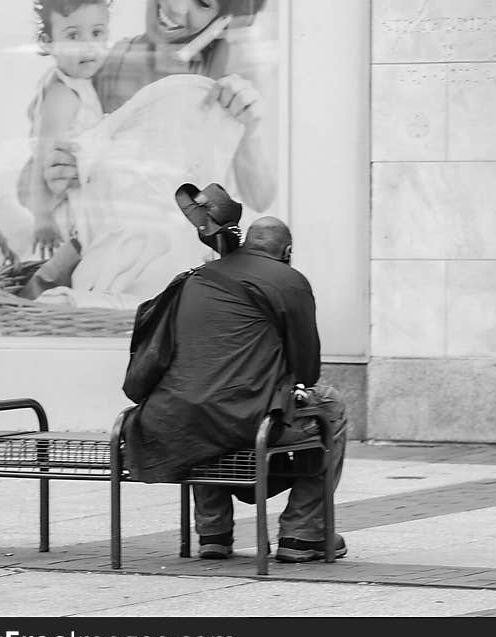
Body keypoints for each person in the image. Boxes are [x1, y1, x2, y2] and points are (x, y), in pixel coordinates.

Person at [123, 184, 347, 563]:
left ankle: (213, 533)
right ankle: (302, 533)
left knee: (199, 405)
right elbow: (307, 369)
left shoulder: (198, 277)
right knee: (333, 409)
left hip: (172, 414)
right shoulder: (289, 281)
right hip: (244, 416)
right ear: (287, 253)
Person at [43, 0, 275, 216]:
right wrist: (57, 174)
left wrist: (249, 133)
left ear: (221, 19)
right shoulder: (105, 65)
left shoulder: (223, 84)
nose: (177, 6)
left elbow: (261, 199)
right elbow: (37, 180)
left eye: (203, 1)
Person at [22, 0, 112, 260]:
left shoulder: (81, 83)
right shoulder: (63, 95)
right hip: (67, 209)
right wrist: (43, 220)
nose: (88, 45)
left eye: (97, 33)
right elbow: (40, 162)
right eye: (73, 35)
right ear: (48, 42)